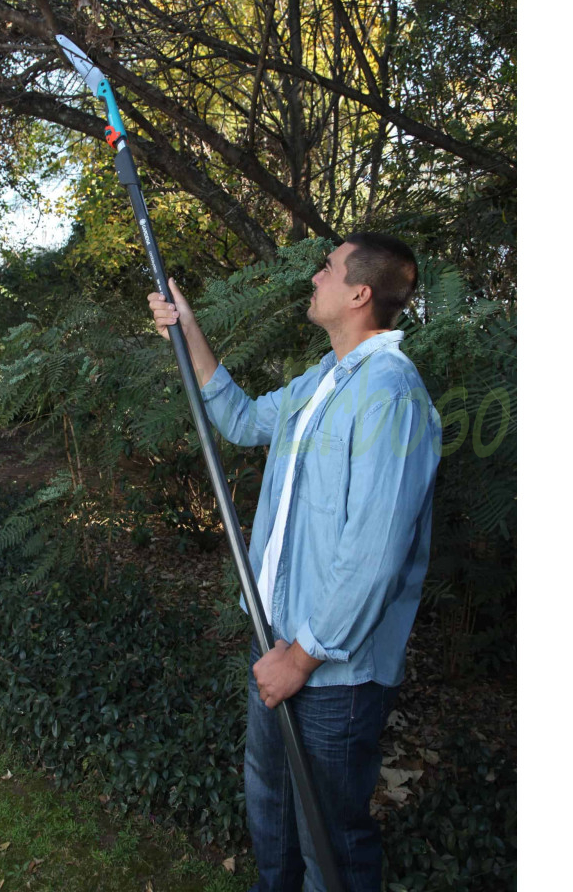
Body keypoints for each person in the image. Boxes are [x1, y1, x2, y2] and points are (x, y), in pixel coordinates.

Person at [147, 233, 441, 892]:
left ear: (360, 293)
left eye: (328, 268)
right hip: (275, 641)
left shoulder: (390, 394)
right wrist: (187, 328)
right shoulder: (321, 382)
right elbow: (241, 419)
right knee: (274, 816)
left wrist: (301, 660)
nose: (315, 276)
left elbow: (374, 553)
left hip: (331, 671)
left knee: (330, 842)